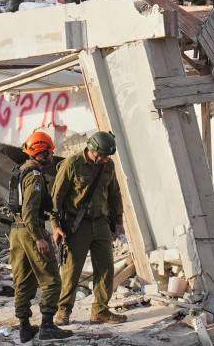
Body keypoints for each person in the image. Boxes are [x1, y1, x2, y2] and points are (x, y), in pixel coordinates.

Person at [53, 132, 126, 326]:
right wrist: (56, 226)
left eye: (107, 156)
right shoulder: (72, 164)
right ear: (92, 150)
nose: (105, 159)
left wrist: (118, 221)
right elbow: (57, 198)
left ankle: (100, 311)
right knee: (71, 270)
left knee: (105, 268)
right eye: (102, 155)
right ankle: (63, 311)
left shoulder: (108, 165)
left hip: (101, 222)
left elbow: (114, 194)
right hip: (76, 224)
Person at [12, 131, 73, 343]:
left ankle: (24, 327)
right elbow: (30, 211)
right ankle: (47, 325)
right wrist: (39, 237)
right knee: (51, 280)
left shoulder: (20, 171)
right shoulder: (35, 177)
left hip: (16, 232)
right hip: (31, 231)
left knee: (23, 281)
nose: (51, 156)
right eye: (48, 152)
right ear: (41, 154)